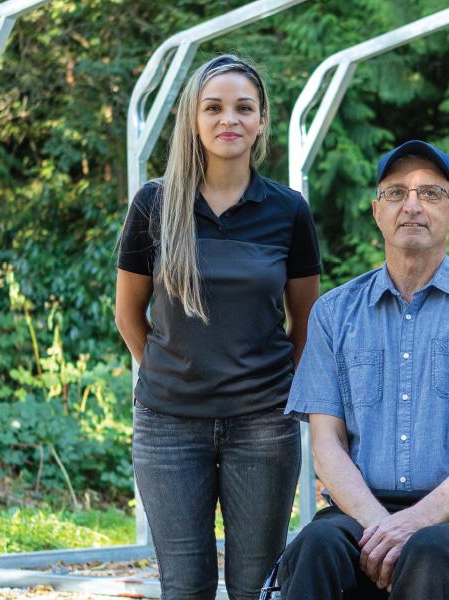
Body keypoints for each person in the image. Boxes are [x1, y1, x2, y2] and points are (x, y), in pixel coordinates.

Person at [279, 140, 449, 599]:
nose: (413, 206)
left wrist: (415, 523)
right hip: (363, 508)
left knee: (427, 548)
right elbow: (326, 445)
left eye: (431, 194)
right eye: (397, 193)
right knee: (315, 543)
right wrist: (383, 525)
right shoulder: (333, 313)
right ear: (377, 211)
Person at [115, 54, 320, 599]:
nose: (228, 118)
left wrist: (272, 390)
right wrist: (173, 367)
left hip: (262, 426)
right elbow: (128, 313)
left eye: (242, 108)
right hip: (167, 425)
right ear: (194, 119)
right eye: (214, 108)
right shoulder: (155, 204)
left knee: (256, 584)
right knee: (185, 585)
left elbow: (304, 321)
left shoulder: (288, 210)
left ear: (260, 120)